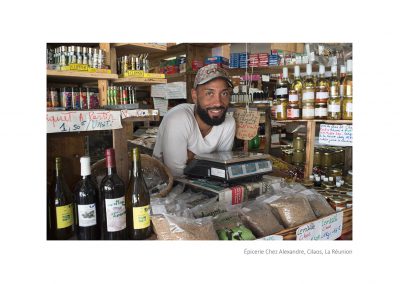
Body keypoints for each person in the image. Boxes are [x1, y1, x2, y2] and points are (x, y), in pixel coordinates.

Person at [153, 64, 236, 176]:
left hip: (205, 187)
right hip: (164, 186)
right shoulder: (178, 118)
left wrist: (193, 157)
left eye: (224, 93)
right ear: (195, 95)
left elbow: (221, 168)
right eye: (209, 93)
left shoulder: (229, 123)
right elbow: (176, 174)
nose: (218, 102)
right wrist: (207, 160)